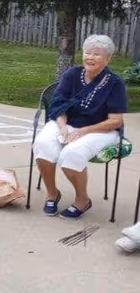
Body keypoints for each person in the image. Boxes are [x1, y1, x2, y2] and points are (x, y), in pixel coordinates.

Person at [33, 34, 127, 219]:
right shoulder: (72, 74)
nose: (90, 57)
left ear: (108, 59)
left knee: (72, 154)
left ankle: (82, 200)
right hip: (68, 124)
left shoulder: (115, 84)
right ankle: (52, 193)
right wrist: (63, 128)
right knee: (43, 144)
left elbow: (115, 121)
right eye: (87, 52)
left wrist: (82, 132)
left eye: (97, 54)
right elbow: (58, 105)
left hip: (102, 130)